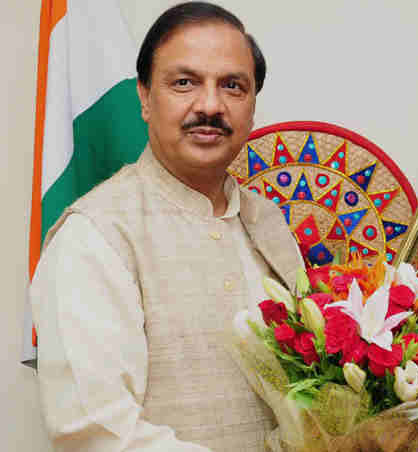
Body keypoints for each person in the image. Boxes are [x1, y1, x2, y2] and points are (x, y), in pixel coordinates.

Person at [30, 3, 304, 451]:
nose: (211, 105)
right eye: (184, 83)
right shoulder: (96, 235)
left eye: (233, 86)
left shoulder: (269, 223)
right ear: (144, 98)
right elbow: (97, 433)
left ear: (253, 107)